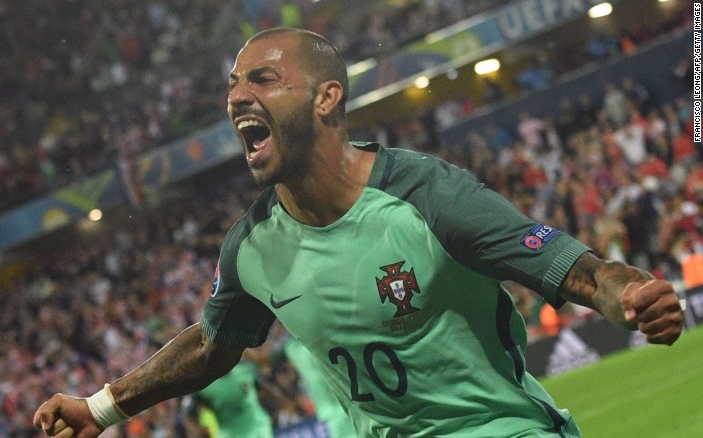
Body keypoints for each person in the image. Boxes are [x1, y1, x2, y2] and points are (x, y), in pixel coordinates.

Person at [34, 27, 684, 438]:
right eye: (232, 87)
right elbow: (212, 343)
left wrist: (626, 295)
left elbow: (574, 267)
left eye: (262, 80)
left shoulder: (429, 197)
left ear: (326, 99)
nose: (236, 98)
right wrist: (99, 407)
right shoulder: (252, 247)